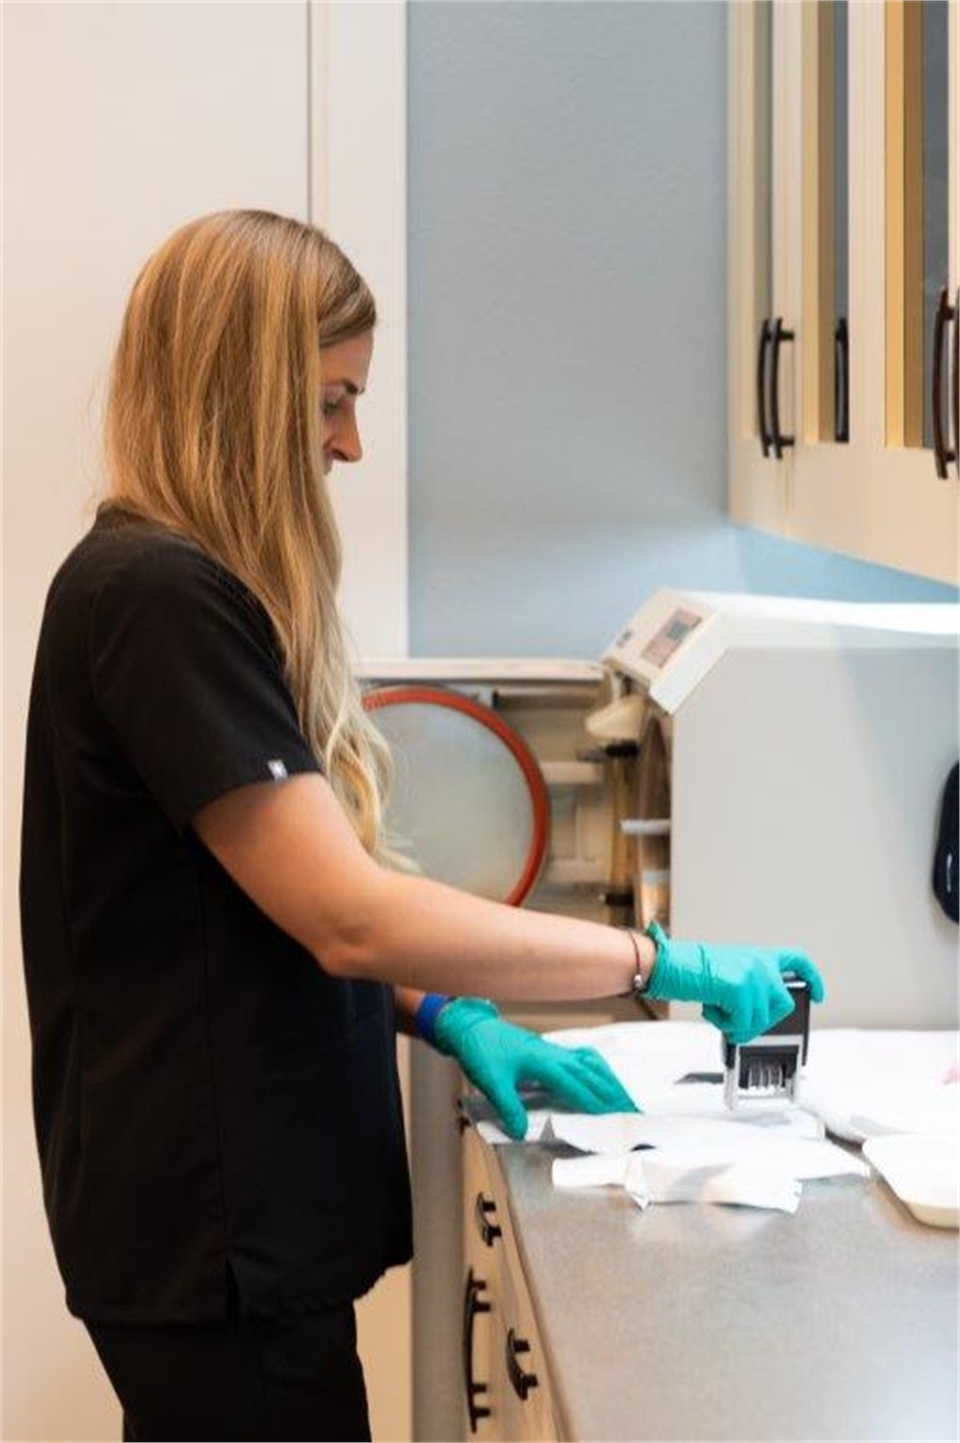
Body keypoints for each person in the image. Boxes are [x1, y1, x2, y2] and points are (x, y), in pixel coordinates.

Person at [19, 209, 824, 1443]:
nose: (349, 442)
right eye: (329, 400)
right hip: (210, 1240)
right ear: (242, 392)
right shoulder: (159, 596)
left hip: (220, 1230)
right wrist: (662, 966)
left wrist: (448, 1011)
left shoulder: (176, 587)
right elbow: (346, 915)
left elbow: (257, 903)